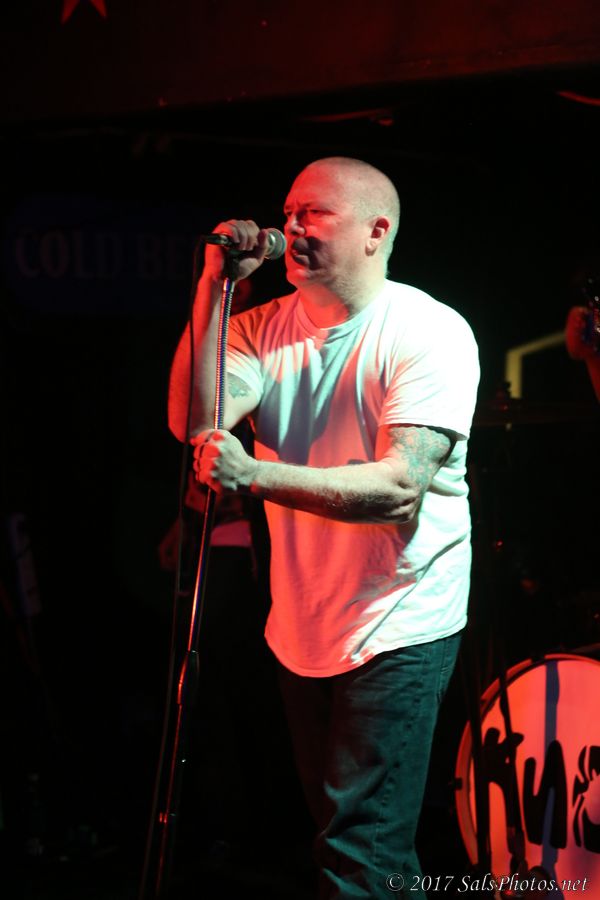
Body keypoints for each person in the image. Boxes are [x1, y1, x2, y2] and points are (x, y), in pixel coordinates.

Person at [168, 156, 480, 898]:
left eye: (315, 213)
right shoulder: (259, 328)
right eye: (289, 211)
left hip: (400, 616)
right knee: (346, 840)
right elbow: (194, 419)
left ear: (376, 231)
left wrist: (256, 476)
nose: (292, 226)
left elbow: (399, 488)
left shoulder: (429, 331)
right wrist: (213, 288)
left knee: (359, 848)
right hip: (305, 621)